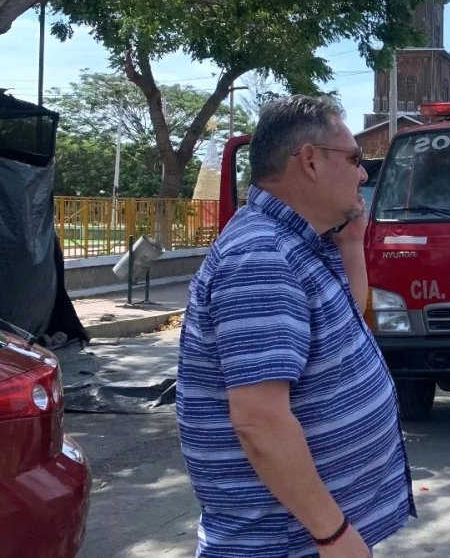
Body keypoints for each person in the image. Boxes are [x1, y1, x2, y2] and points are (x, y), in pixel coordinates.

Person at [176, 96, 413, 557]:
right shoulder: (262, 257)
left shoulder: (299, 241)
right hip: (285, 541)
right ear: (309, 161)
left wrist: (351, 245)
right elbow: (260, 421)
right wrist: (333, 533)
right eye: (354, 160)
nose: (363, 175)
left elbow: (352, 321)